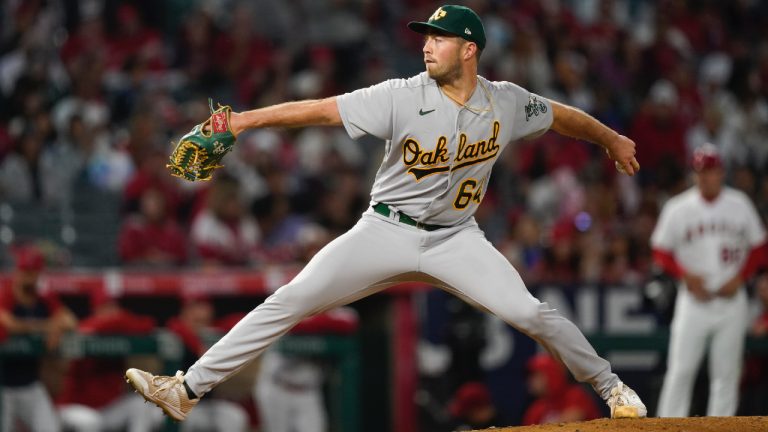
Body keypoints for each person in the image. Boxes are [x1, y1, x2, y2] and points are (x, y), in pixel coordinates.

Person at [126, 5, 647, 423]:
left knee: (532, 314)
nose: (426, 44)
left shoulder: (505, 102)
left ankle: (612, 387)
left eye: (438, 38)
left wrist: (611, 138)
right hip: (385, 230)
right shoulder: (400, 95)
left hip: (456, 240)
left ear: (469, 50)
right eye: (426, 36)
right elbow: (321, 109)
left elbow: (561, 117)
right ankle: (187, 388)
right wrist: (241, 120)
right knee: (291, 298)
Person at [651, 144, 767, 417]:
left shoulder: (739, 204)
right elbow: (660, 250)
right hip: (694, 301)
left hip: (730, 302)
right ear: (694, 174)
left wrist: (741, 277)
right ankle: (667, 425)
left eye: (711, 171)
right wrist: (685, 276)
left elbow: (760, 247)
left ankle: (720, 426)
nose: (706, 177)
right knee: (681, 370)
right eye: (701, 171)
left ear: (721, 172)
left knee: (726, 375)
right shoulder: (678, 208)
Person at [57, 288, 164, 432]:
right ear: (96, 309)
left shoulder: (119, 328)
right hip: (76, 406)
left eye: (114, 306)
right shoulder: (86, 328)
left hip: (108, 409)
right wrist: (117, 322)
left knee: (140, 405)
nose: (112, 311)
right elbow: (89, 327)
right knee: (90, 422)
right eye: (106, 307)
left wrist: (118, 322)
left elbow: (148, 324)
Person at [0, 246, 77, 432]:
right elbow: (9, 323)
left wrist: (57, 327)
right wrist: (46, 326)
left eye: (31, 272)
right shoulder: (7, 292)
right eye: (23, 271)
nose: (25, 276)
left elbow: (70, 320)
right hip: (3, 384)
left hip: (30, 383)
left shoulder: (43, 297)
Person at [522, 353, 601, 425]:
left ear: (552, 375)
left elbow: (571, 420)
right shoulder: (537, 408)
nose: (531, 381)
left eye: (537, 376)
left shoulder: (576, 395)